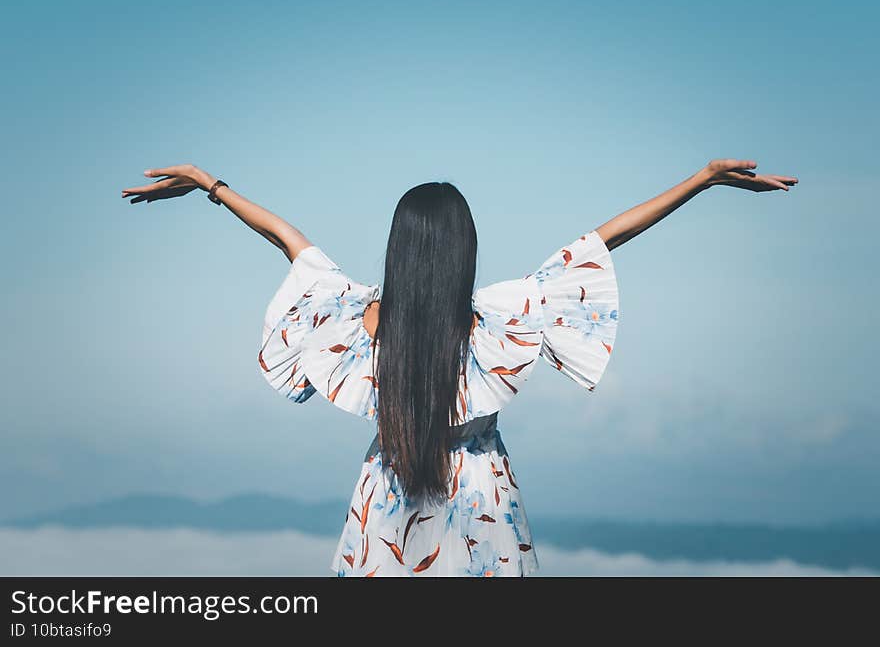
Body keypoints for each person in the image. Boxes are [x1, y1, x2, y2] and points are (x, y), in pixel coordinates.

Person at [122, 160, 797, 576]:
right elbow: (602, 239)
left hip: (384, 507)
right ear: (463, 249)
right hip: (484, 507)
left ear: (398, 248)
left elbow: (288, 239)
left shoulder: (363, 320)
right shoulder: (493, 321)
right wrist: (702, 181)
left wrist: (210, 183)